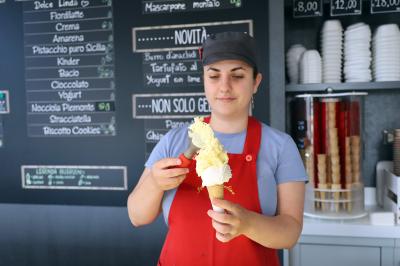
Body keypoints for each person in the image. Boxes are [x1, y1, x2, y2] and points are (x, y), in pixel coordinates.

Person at [127, 32, 307, 266]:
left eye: (238, 75)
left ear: (256, 82)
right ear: (204, 80)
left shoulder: (280, 147)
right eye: (214, 76)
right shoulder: (174, 141)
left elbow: (290, 233)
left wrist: (248, 224)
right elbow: (137, 216)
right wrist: (154, 183)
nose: (224, 86)